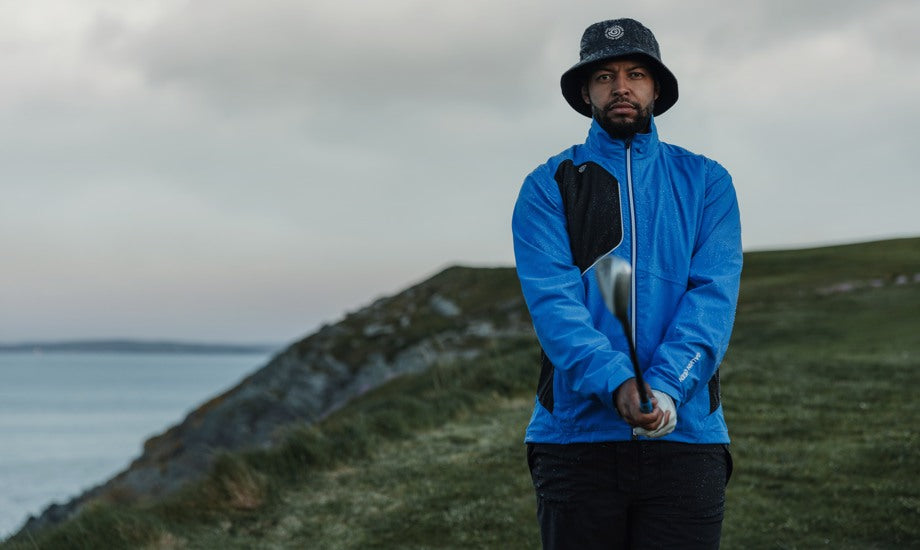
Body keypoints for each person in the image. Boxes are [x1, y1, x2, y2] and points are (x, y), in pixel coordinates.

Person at [511, 18, 743, 549]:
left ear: (656, 88)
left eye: (636, 73)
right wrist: (617, 380)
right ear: (585, 92)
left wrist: (666, 386)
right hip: (575, 439)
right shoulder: (548, 185)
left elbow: (713, 297)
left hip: (686, 437)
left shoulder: (707, 181)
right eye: (604, 76)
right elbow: (554, 305)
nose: (621, 87)